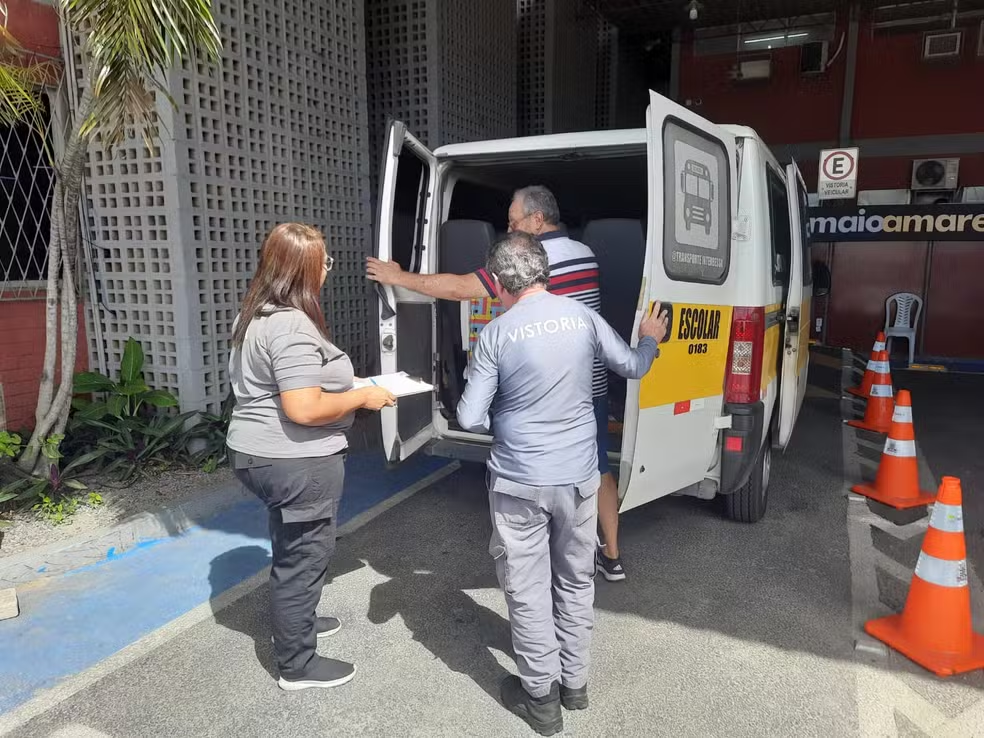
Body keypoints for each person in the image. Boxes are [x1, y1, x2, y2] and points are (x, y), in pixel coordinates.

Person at [456, 233, 667, 735]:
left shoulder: (497, 334)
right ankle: (575, 685)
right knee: (576, 580)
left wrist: (504, 409)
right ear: (544, 272)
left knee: (528, 589)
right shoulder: (583, 318)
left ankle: (541, 701)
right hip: (579, 479)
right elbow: (633, 366)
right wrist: (649, 337)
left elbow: (469, 417)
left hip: (520, 481)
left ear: (499, 282)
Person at [367, 185, 631, 583]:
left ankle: (545, 554)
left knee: (536, 474)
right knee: (596, 467)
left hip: (547, 390)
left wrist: (398, 276)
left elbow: (458, 288)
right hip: (588, 386)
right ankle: (611, 556)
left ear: (537, 220)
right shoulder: (584, 253)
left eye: (513, 222)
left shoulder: (535, 263)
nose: (509, 231)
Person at [227, 223, 396, 691]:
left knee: (291, 546)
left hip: (258, 452)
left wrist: (348, 386)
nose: (327, 269)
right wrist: (362, 397)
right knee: (304, 556)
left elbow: (294, 384)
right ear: (303, 269)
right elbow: (302, 407)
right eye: (324, 262)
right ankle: (297, 665)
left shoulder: (255, 315)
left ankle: (296, 623)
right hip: (294, 460)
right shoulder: (291, 324)